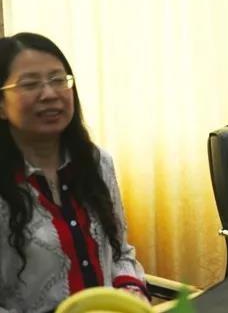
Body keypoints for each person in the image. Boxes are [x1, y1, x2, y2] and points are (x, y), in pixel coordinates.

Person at [0, 33, 148, 312]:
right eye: (30, 84)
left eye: (58, 80)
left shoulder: (97, 163)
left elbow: (120, 253)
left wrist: (131, 293)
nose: (49, 94)